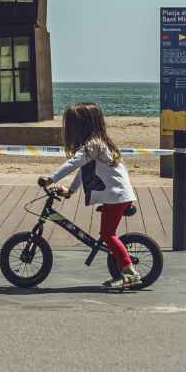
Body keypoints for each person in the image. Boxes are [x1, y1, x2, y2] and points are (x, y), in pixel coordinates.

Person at [40, 102, 141, 289]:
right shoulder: (98, 144)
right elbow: (84, 171)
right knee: (108, 234)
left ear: (81, 127)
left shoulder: (93, 145)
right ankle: (123, 268)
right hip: (116, 195)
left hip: (116, 196)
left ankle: (130, 273)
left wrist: (51, 179)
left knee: (108, 235)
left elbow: (74, 164)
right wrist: (70, 191)